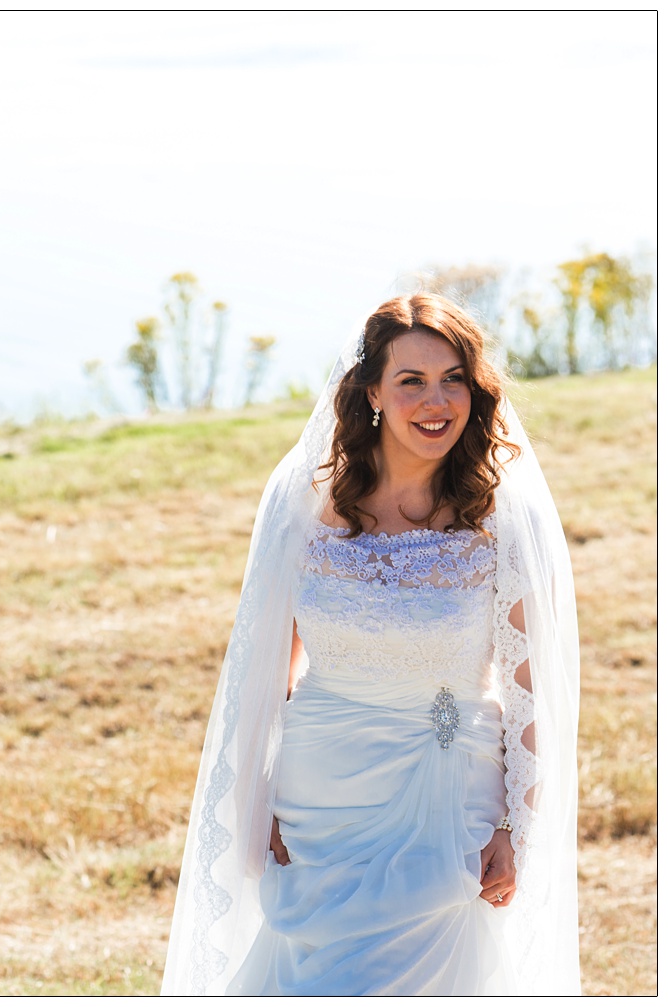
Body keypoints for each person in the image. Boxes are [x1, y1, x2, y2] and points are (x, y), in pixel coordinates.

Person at [159, 294, 580, 995]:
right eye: (411, 380)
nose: (435, 400)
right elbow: (265, 672)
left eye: (453, 378)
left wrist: (516, 820)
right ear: (374, 392)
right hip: (321, 797)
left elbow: (530, 687)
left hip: (446, 792)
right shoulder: (307, 505)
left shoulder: (501, 519)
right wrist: (255, 797)